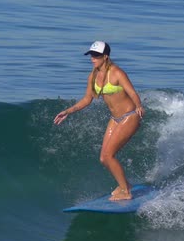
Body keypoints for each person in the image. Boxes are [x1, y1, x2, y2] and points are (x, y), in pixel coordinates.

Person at [54, 41, 145, 201]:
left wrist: (139, 106)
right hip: (115, 119)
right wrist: (68, 111)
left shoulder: (117, 73)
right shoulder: (93, 75)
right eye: (91, 55)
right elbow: (87, 99)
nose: (92, 58)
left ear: (105, 57)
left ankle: (126, 192)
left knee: (109, 156)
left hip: (129, 116)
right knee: (104, 158)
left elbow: (132, 92)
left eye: (96, 56)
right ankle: (126, 185)